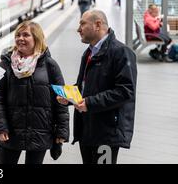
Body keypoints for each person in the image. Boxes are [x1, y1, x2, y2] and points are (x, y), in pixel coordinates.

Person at [57, 10, 137, 164]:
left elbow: (125, 91)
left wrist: (89, 103)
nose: (78, 29)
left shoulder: (121, 53)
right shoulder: (89, 53)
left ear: (98, 25)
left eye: (82, 24)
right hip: (88, 128)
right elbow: (85, 87)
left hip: (107, 133)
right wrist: (69, 96)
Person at [0, 21, 69, 164]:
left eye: (26, 35)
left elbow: (61, 98)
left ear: (37, 38)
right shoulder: (6, 63)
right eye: (18, 35)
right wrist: (0, 126)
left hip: (40, 131)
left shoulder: (50, 65)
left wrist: (62, 130)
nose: (20, 38)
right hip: (11, 131)